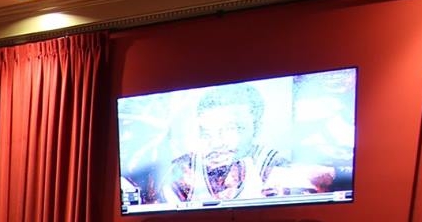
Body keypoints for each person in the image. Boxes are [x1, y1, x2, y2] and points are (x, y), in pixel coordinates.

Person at [132, 83, 335, 208]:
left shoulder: (274, 168)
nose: (217, 142)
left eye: (231, 129)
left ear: (256, 127)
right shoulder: (181, 170)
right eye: (207, 131)